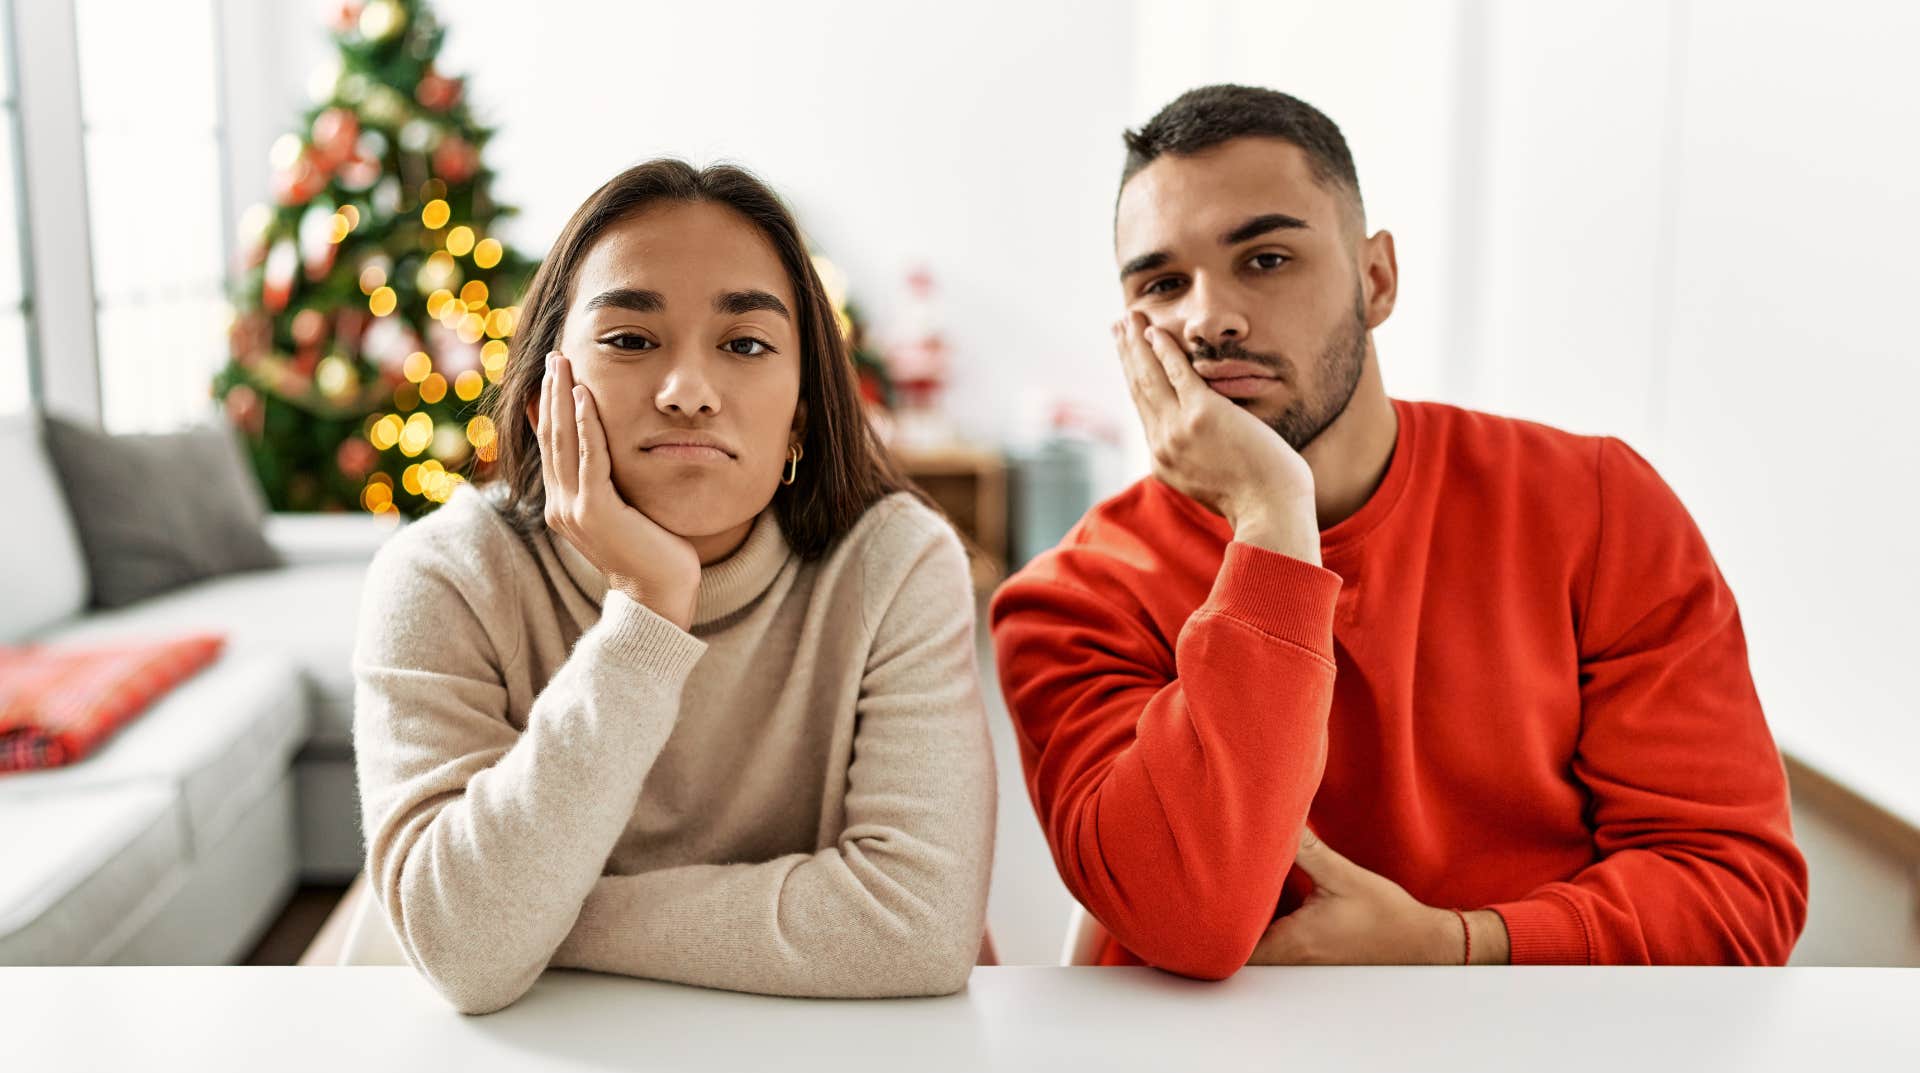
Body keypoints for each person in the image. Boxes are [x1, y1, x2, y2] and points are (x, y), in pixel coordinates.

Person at [991, 84, 1807, 976]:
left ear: (1375, 279)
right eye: (1161, 284)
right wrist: (1271, 519)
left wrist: (1459, 947)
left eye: (1265, 259)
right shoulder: (1071, 599)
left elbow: (1736, 891)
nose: (1207, 319)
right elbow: (1194, 920)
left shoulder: (1600, 509)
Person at [353, 159, 995, 1014]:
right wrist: (648, 614)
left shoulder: (896, 565)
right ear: (550, 383)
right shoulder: (444, 575)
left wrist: (541, 921)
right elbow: (466, 950)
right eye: (629, 339)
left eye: (746, 344)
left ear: (802, 403)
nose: (689, 391)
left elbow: (914, 927)